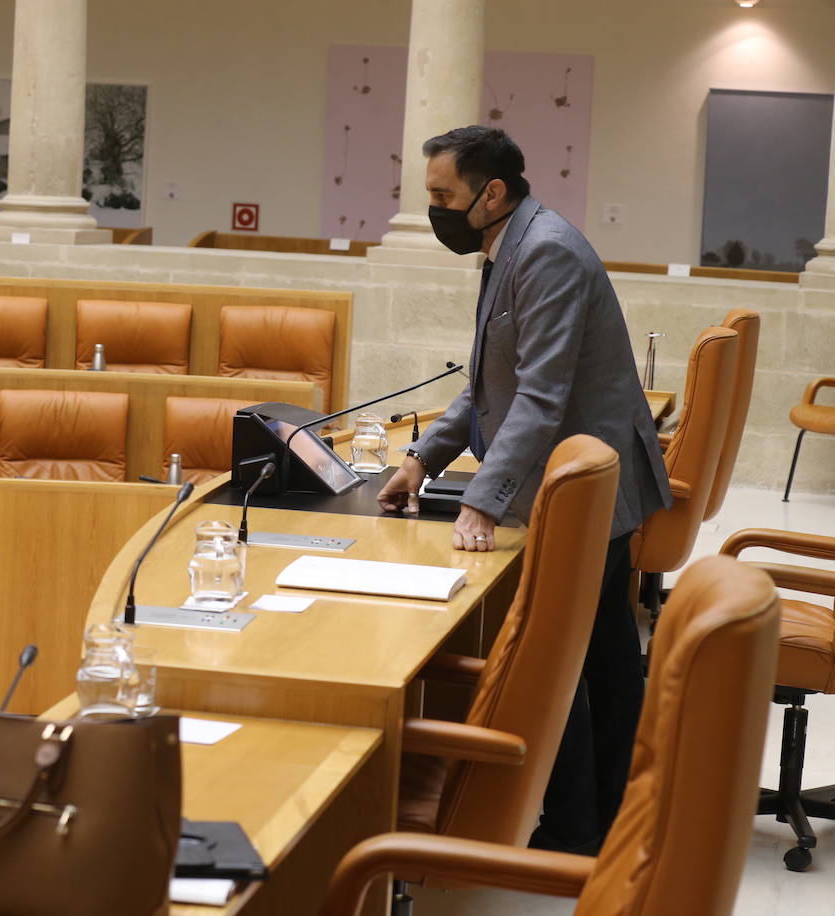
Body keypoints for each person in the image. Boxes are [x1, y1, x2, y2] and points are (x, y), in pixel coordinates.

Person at [377, 126, 671, 852]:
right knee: (596, 653)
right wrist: (423, 459)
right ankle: (608, 820)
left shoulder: (545, 253)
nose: (436, 209)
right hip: (575, 478)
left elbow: (539, 395)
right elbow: (486, 386)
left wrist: (482, 497)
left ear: (492, 192)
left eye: (443, 196)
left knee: (566, 657)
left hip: (590, 486)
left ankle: (577, 835)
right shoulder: (510, 244)